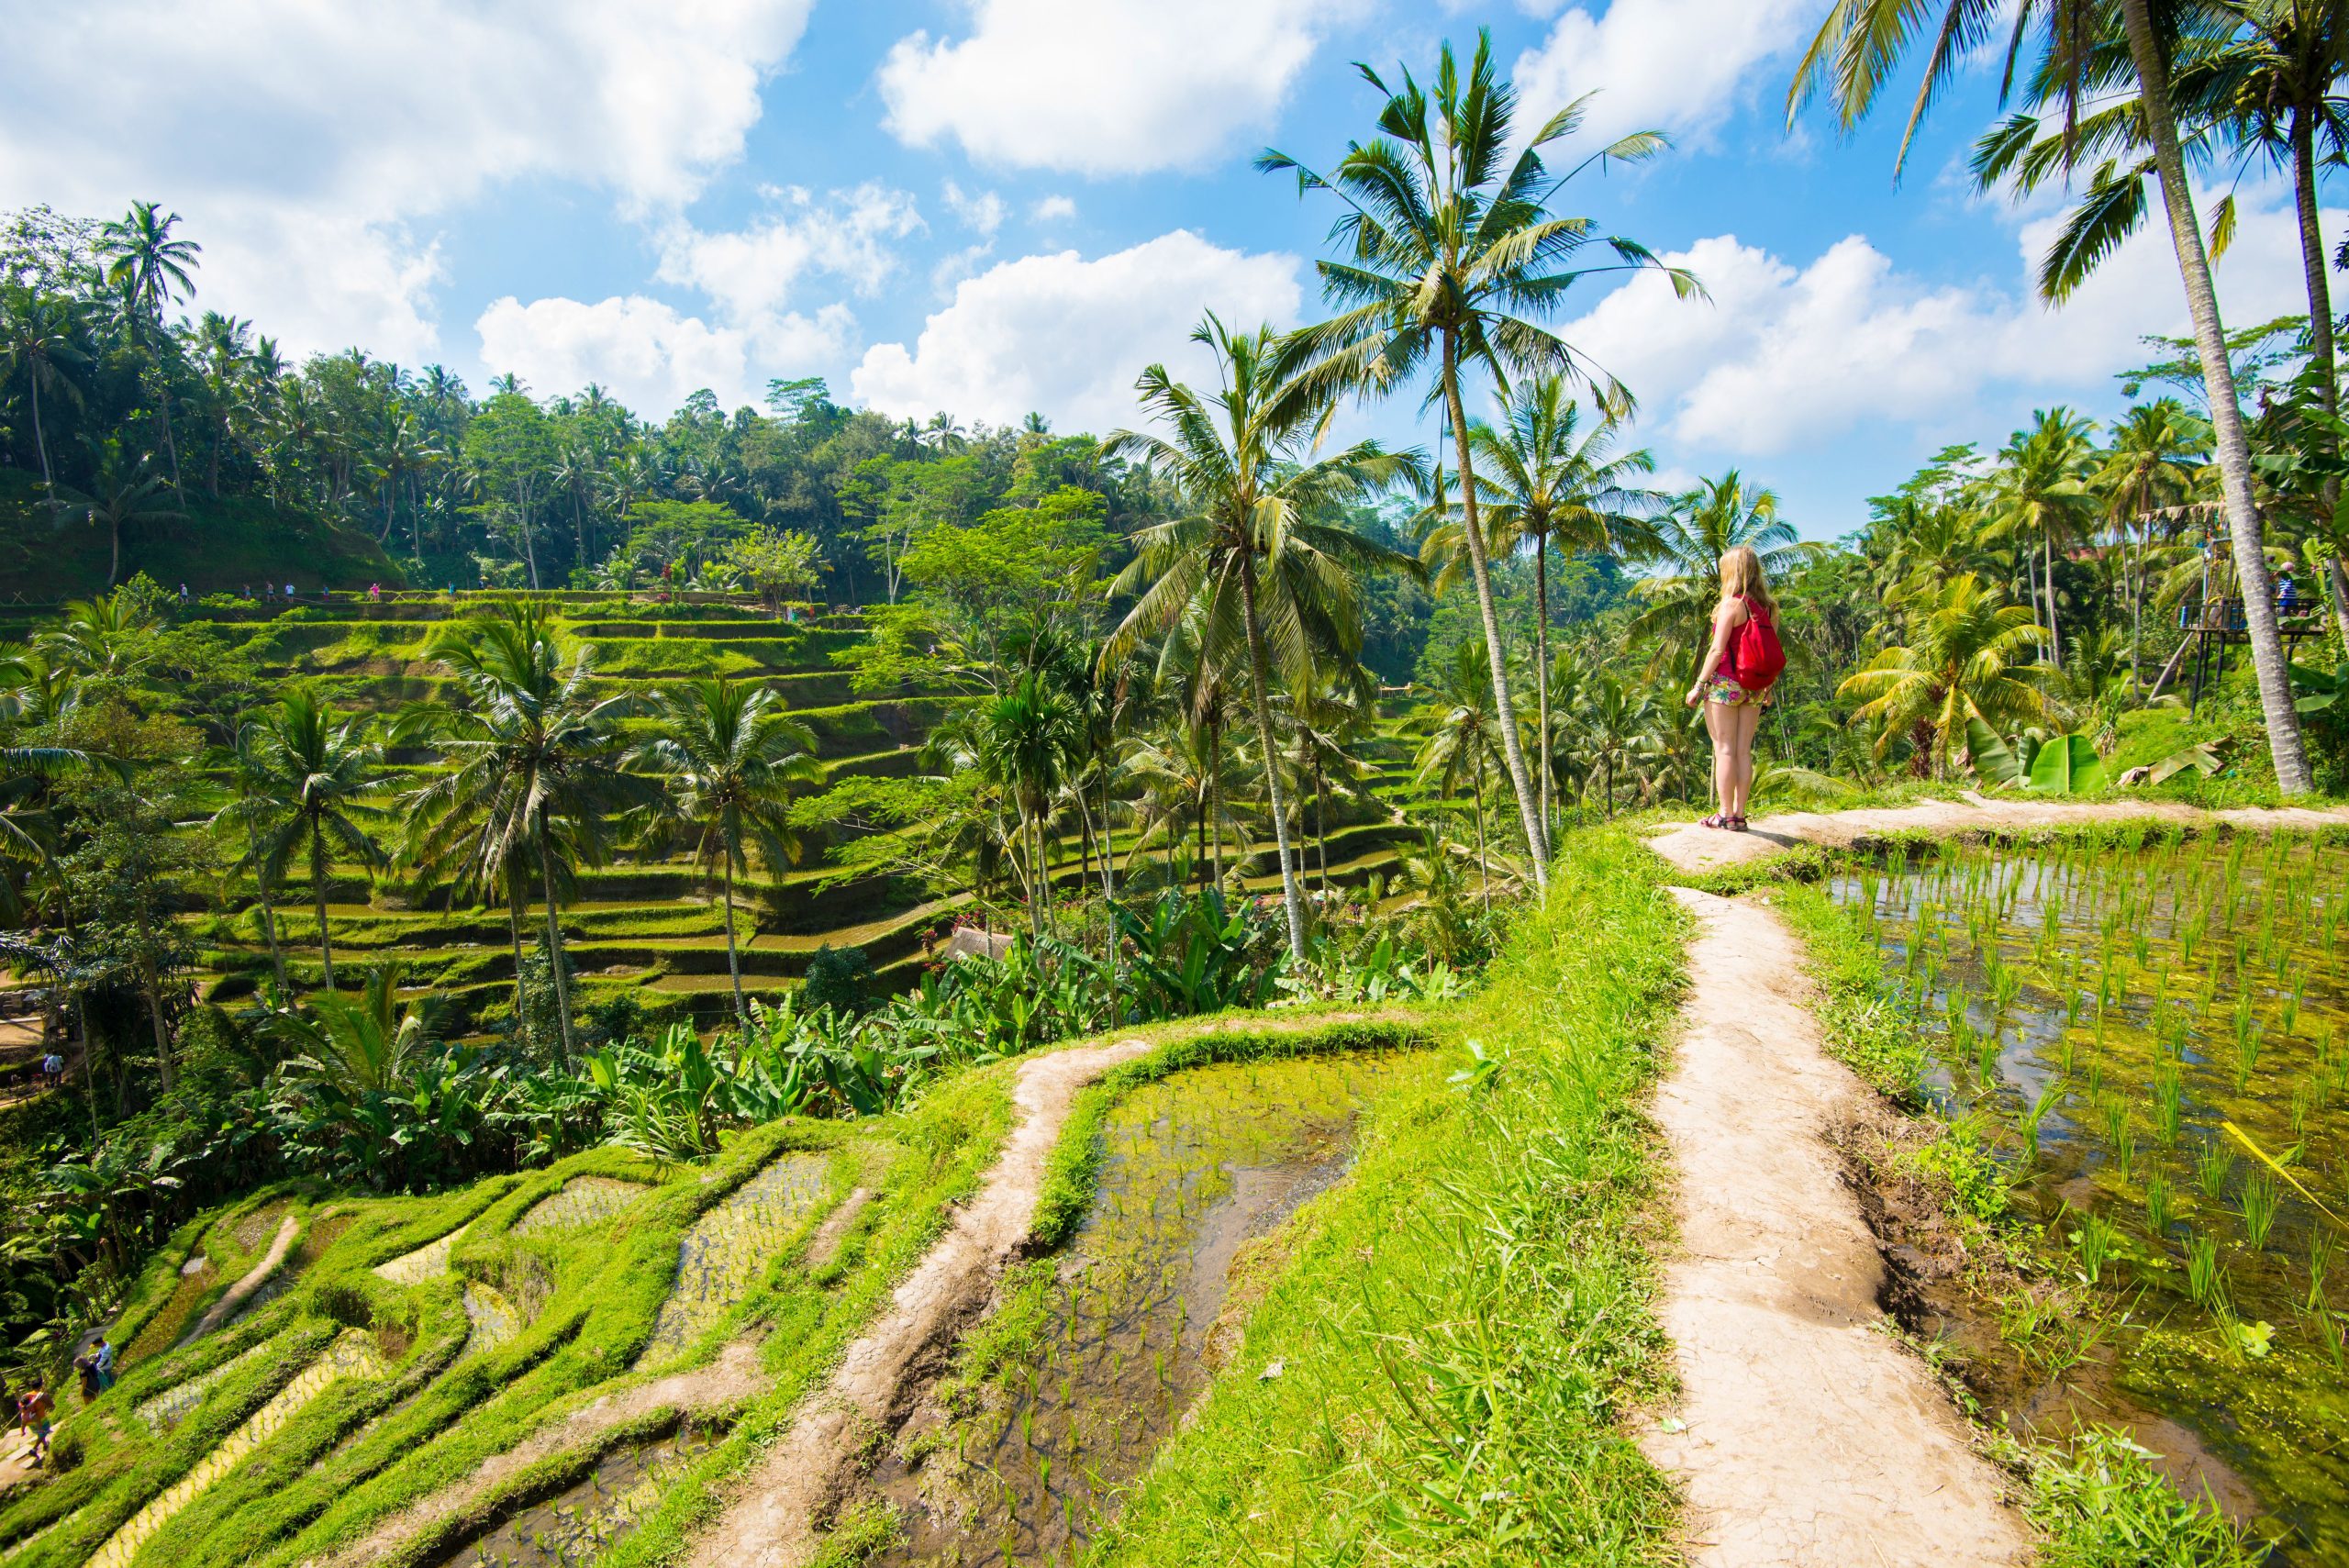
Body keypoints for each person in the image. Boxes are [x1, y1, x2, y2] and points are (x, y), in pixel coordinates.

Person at [1684, 544, 1786, 832]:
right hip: (1754, 687)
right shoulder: (1767, 608)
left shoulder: (1731, 605)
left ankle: (1725, 814)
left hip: (1725, 684)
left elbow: (1716, 651)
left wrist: (1699, 685)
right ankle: (1739, 816)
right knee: (1743, 751)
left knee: (1724, 749)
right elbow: (1767, 652)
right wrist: (1768, 689)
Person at [19, 1377, 51, 1467]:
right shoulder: (40, 1395)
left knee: (39, 1434)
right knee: (44, 1432)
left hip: (28, 1421)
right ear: (41, 1386)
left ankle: (45, 1445)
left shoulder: (25, 1396)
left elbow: (22, 1408)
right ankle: (34, 1449)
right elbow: (50, 1404)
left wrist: (22, 1429)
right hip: (40, 1419)